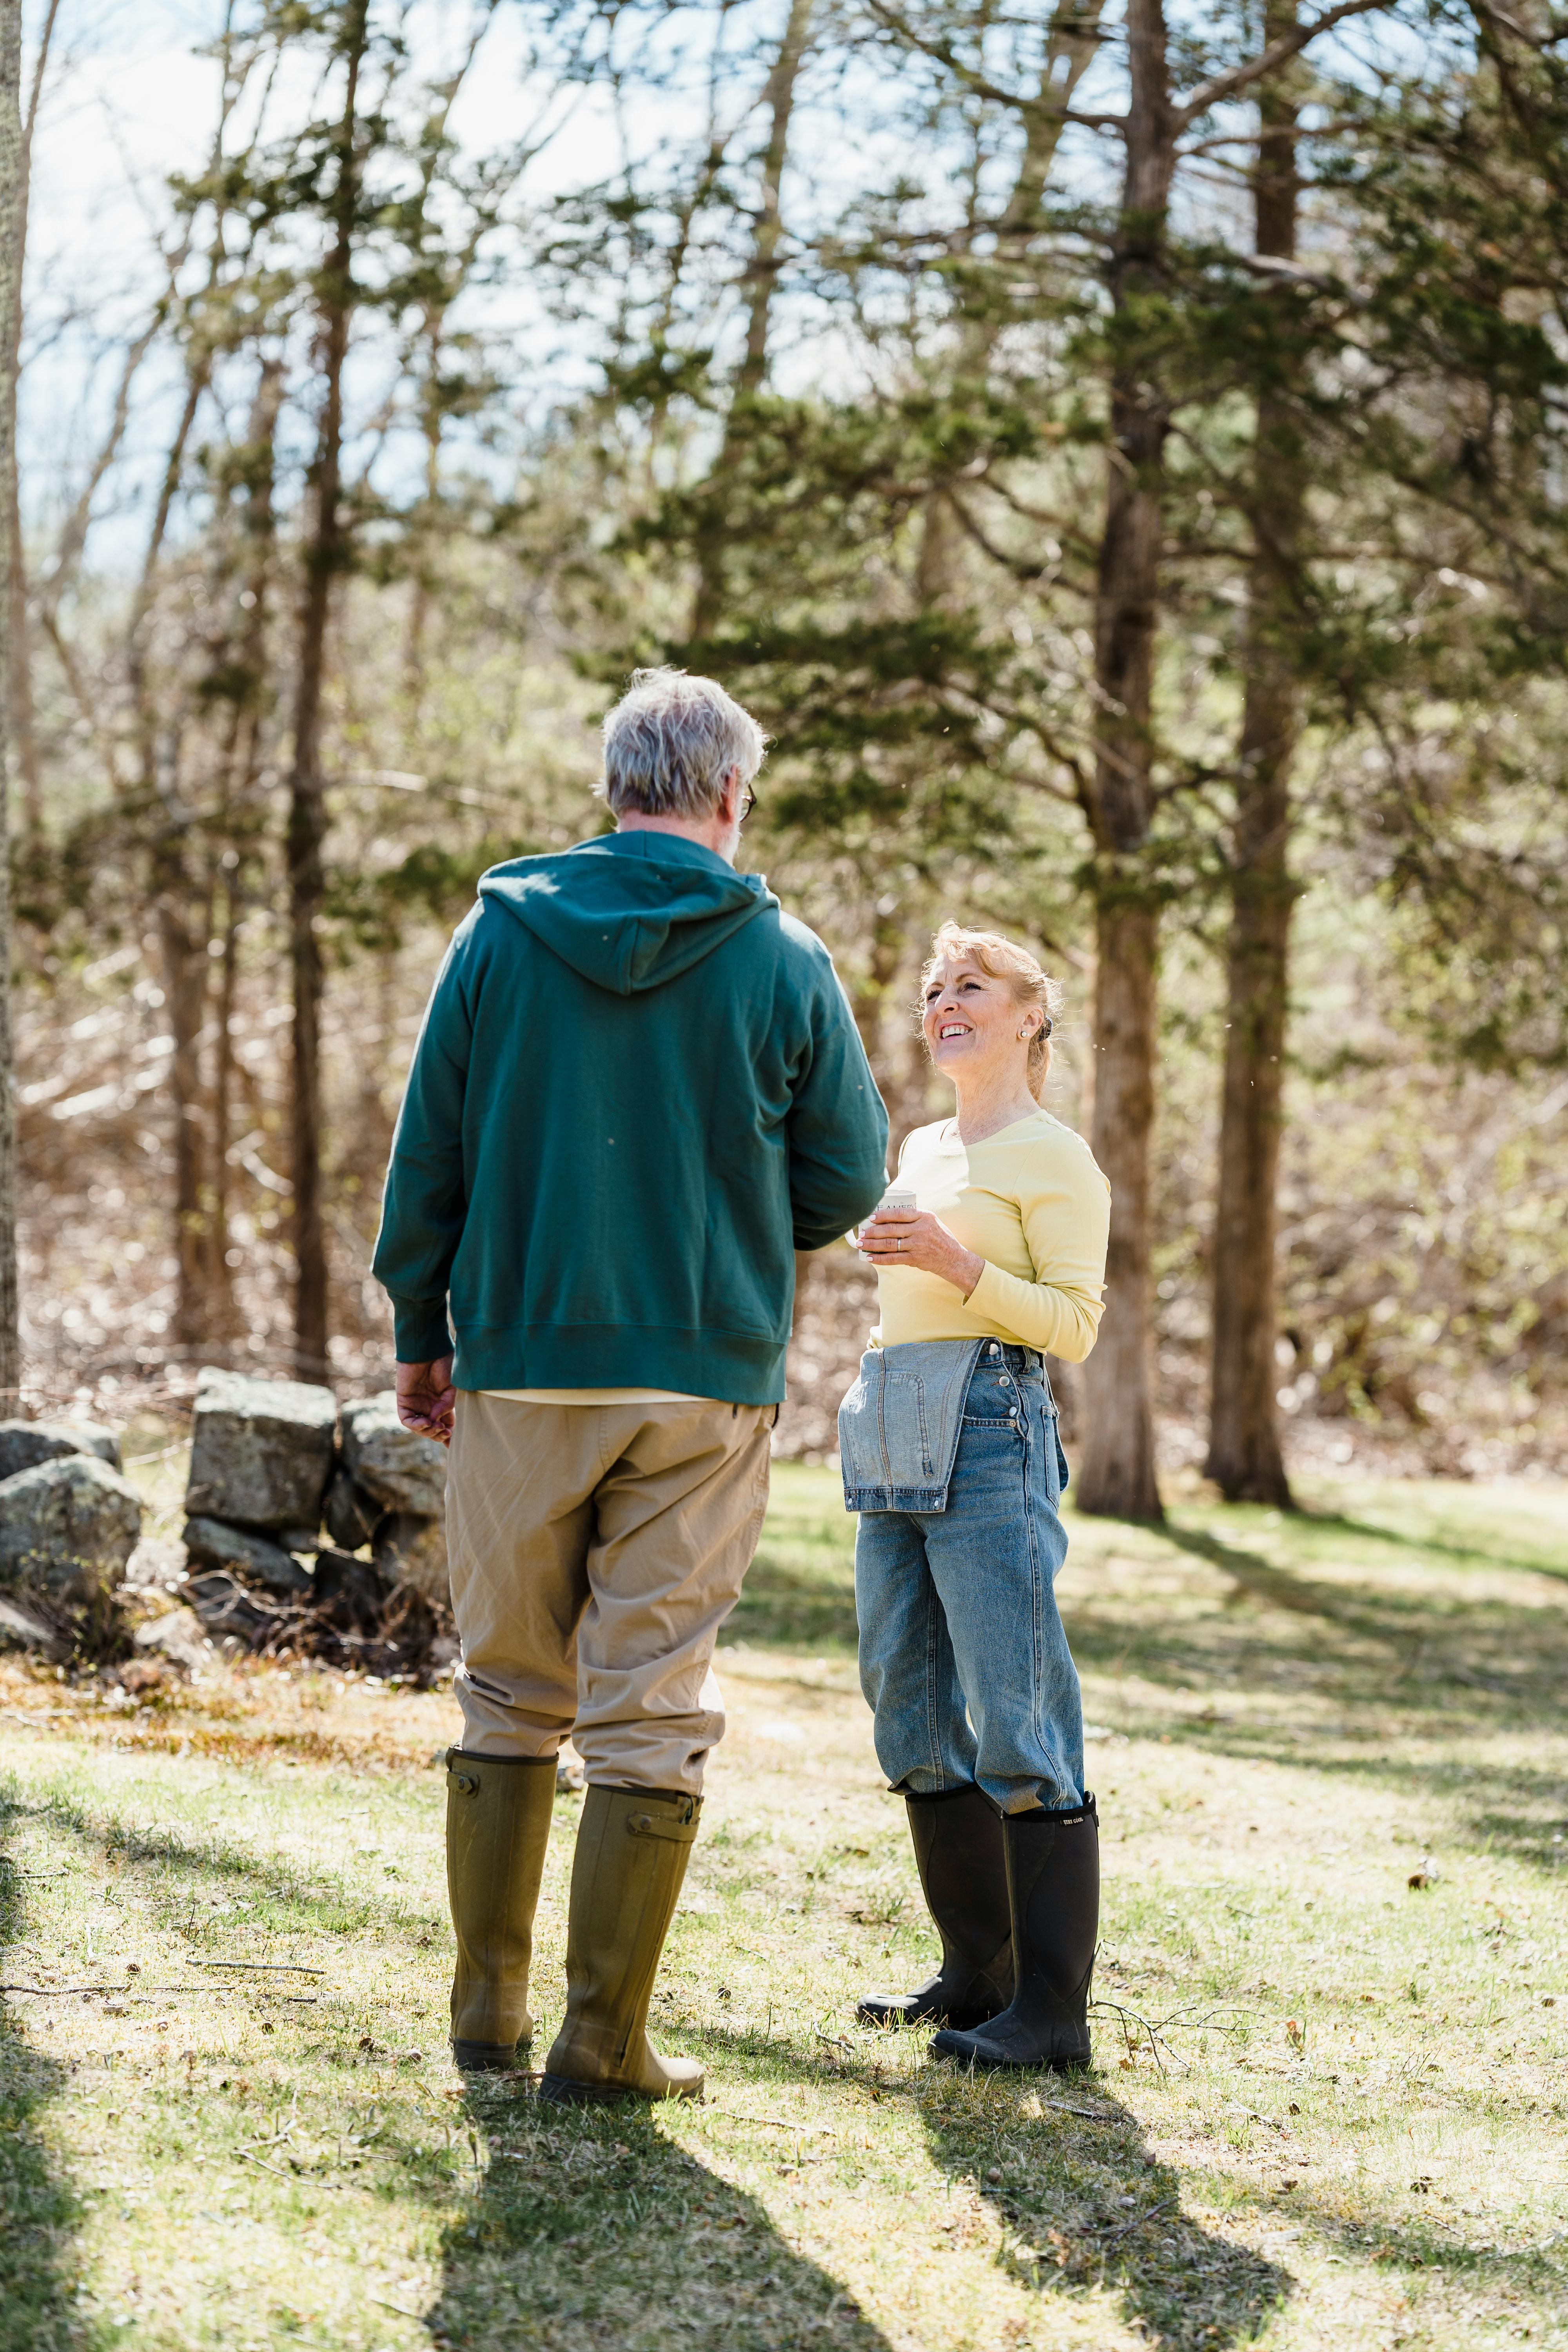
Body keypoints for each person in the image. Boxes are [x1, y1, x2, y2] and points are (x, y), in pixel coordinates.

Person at [372, 668, 887, 2103]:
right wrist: (721, 1214)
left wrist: (425, 1327)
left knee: (506, 1687)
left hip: (525, 1366)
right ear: (730, 797)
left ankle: (488, 2013)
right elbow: (846, 1179)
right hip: (703, 1375)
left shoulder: (497, 936)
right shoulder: (786, 956)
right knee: (649, 1701)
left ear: (615, 789)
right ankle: (603, 2043)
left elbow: (433, 1149)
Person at [842, 922, 1110, 2071]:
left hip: (996, 1426)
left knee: (1016, 1708)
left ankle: (1052, 2015)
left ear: (1028, 1020)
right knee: (902, 1695)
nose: (946, 1002)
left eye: (973, 987)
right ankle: (976, 1978)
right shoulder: (923, 1142)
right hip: (898, 1415)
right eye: (937, 988)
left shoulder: (1058, 1157)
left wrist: (959, 1266)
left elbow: (1075, 1328)